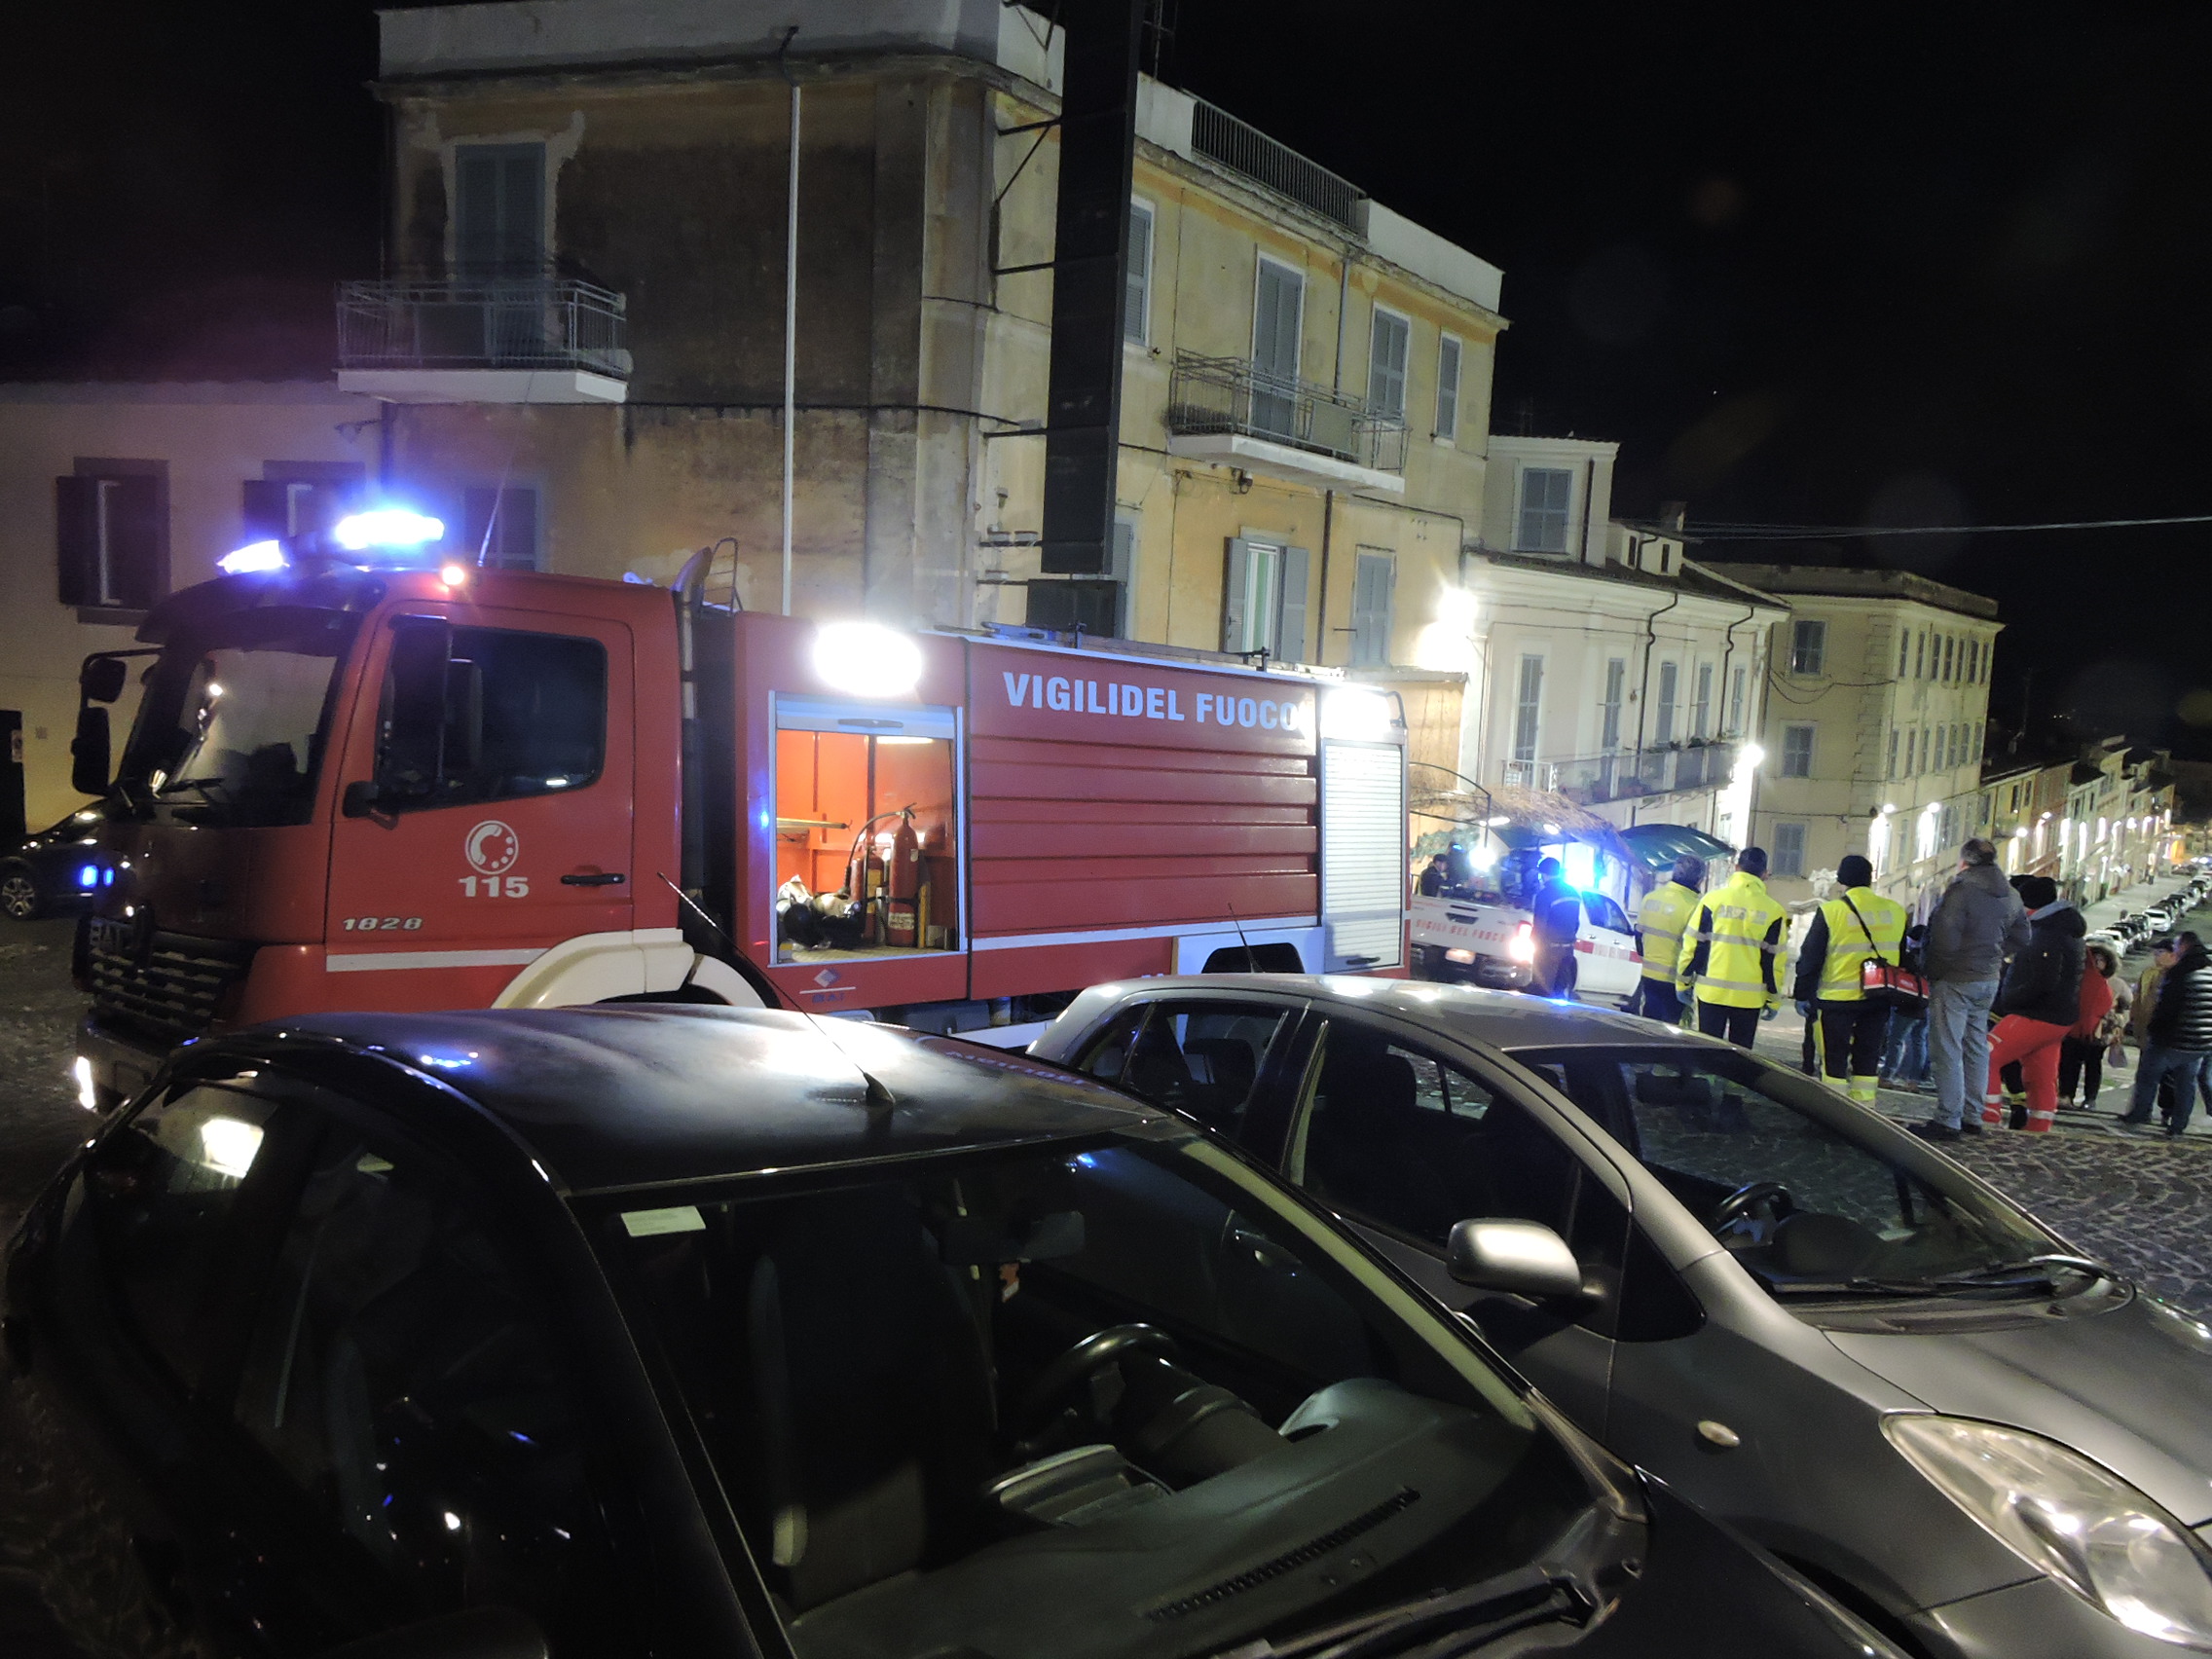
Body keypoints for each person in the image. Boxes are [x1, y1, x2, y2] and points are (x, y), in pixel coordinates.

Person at [1916, 838, 2031, 1140]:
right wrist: (1994, 953)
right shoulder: (2011, 894)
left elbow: (1944, 939)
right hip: (1988, 977)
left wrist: (1934, 971)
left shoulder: (1961, 891)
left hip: (1956, 977)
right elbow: (2022, 935)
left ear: (1965, 861)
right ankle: (1972, 1115)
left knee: (1948, 1046)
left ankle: (1948, 1117)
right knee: (1976, 1045)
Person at [1961, 875, 2088, 1136]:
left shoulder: (2045, 934)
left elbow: (2043, 979)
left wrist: (2012, 998)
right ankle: (2039, 1126)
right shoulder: (2062, 929)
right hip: (2057, 1017)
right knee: (2040, 1072)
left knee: (1984, 1054)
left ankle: (1987, 1115)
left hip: (2035, 1013)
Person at [1789, 855, 1909, 1107]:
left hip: (1836, 1001)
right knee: (1867, 1061)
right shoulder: (1896, 912)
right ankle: (1865, 1111)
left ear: (1841, 880)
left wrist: (1802, 994)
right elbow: (1901, 956)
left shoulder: (1831, 911)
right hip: (1878, 999)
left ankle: (1834, 1111)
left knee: (1833, 1061)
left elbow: (1811, 957)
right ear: (1870, 878)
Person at [1677, 846, 1788, 1048]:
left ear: (1736, 868)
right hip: (1750, 998)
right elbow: (1774, 962)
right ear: (1764, 874)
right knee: (1741, 1058)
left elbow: (1693, 946)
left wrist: (1683, 982)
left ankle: (1710, 1080)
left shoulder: (1712, 901)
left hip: (1711, 993)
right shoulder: (1774, 911)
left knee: (1709, 1052)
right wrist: (1774, 999)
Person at [2118, 930, 2212, 1138]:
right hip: (2201, 1041)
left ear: (2184, 946)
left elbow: (2167, 1008)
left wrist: (2154, 1031)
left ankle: (2140, 1114)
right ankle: (2178, 1125)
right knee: (2186, 1083)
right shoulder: (2208, 971)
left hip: (2173, 1039)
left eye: (2177, 946)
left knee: (2148, 1076)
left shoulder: (2180, 973)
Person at [1632, 855, 1704, 1023]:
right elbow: (1695, 949)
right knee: (1672, 1029)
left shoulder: (1650, 898)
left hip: (1648, 975)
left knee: (1649, 1025)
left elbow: (1639, 936)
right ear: (1699, 880)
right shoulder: (1695, 906)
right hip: (1675, 980)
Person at [2057, 941, 2123, 1110]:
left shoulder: (2110, 983)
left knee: (2093, 1066)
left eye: (2100, 959)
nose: (2097, 963)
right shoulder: (2076, 978)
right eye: (2093, 959)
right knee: (2069, 1064)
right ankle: (2066, 1095)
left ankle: (2090, 1098)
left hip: (2096, 1032)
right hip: (2073, 1029)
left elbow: (2120, 1006)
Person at [1879, 924, 1931, 1090]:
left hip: (1907, 1005)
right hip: (1925, 1005)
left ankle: (1887, 1076)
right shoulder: (1932, 957)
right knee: (1919, 1042)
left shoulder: (1911, 958)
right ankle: (1914, 1080)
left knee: (1896, 1041)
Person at [1527, 856, 1583, 998]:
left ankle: (1540, 1018)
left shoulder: (1545, 894)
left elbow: (1540, 923)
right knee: (1560, 991)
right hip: (1568, 948)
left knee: (1541, 990)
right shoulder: (1573, 893)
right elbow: (1576, 923)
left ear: (1543, 874)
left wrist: (1534, 943)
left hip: (1549, 950)